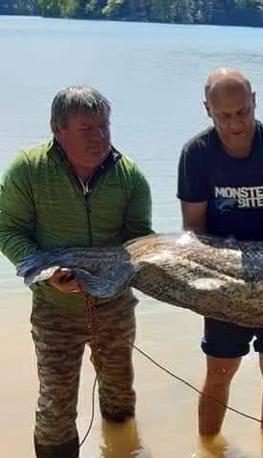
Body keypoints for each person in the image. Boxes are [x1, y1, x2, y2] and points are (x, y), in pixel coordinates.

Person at [0, 86, 152, 458]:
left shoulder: (129, 177)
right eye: (87, 129)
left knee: (120, 397)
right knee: (55, 408)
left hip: (114, 308)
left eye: (104, 126)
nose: (99, 137)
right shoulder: (28, 170)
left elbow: (140, 243)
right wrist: (48, 272)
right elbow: (7, 229)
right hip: (54, 310)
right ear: (58, 130)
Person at [177, 68, 263, 436]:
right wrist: (204, 288)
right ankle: (207, 446)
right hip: (224, 277)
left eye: (242, 112)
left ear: (254, 102)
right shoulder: (196, 155)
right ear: (207, 109)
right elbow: (193, 231)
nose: (235, 123)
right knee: (219, 372)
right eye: (224, 116)